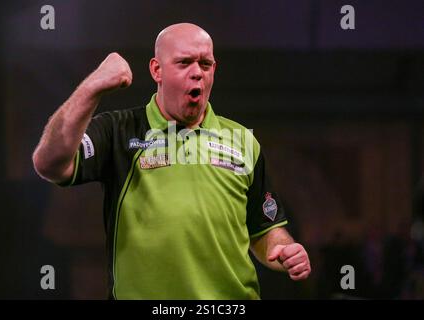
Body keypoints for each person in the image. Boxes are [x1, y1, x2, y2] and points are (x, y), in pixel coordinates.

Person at [32, 23, 311, 299]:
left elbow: (264, 230)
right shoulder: (119, 130)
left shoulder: (243, 140)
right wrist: (92, 87)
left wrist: (285, 250)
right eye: (184, 62)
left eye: (205, 64)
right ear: (157, 70)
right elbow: (49, 163)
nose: (196, 73)